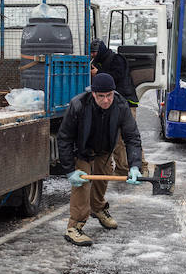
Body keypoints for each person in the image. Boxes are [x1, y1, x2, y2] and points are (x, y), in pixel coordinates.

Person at [57, 73, 143, 247]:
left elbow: (132, 137)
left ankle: (98, 209)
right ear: (93, 93)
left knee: (102, 181)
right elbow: (64, 138)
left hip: (104, 150)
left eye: (109, 95)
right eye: (101, 96)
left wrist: (134, 165)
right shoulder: (78, 104)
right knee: (82, 185)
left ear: (113, 92)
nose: (106, 100)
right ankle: (74, 227)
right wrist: (69, 170)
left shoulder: (120, 105)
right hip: (82, 151)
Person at [89, 39, 149, 176]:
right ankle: (123, 169)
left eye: (94, 52)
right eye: (91, 52)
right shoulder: (96, 63)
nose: (92, 54)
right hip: (110, 104)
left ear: (101, 50)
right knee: (116, 140)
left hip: (126, 103)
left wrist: (98, 74)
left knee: (129, 136)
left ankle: (141, 168)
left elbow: (116, 76)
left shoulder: (116, 59)